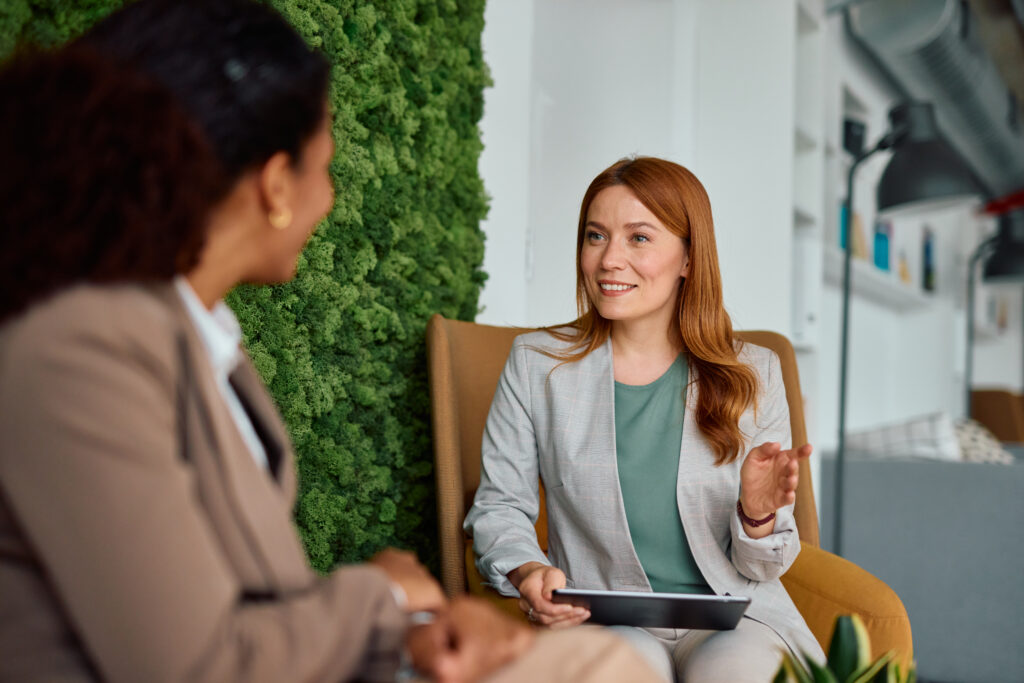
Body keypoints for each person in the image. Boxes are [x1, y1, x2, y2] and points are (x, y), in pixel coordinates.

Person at [0, 2, 661, 681]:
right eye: (325, 167)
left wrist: (414, 632)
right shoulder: (78, 354)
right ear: (276, 184)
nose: (330, 197)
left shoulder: (199, 339)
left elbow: (253, 605)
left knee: (604, 661)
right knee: (609, 667)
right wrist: (387, 597)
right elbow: (197, 662)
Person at [465, 156, 827, 681]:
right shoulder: (536, 364)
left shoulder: (755, 373)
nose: (610, 259)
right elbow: (499, 507)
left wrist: (756, 517)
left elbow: (763, 566)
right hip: (605, 618)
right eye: (596, 236)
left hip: (734, 619)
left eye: (639, 238)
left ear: (688, 258)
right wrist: (529, 571)